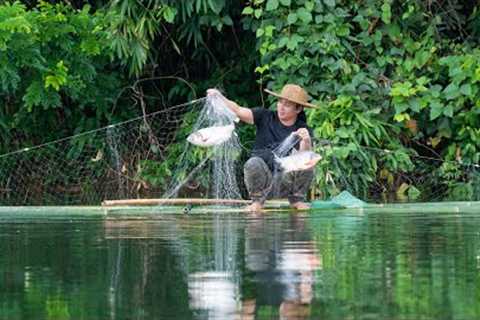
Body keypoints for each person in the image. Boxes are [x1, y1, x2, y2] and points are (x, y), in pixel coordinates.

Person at [206, 84, 317, 212]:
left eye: (287, 105)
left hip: (286, 183)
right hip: (263, 183)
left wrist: (306, 141)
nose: (281, 107)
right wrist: (219, 97)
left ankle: (297, 200)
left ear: (298, 109)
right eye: (280, 102)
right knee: (253, 163)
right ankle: (257, 202)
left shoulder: (303, 129)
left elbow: (303, 158)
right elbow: (238, 110)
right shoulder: (264, 116)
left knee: (309, 163)